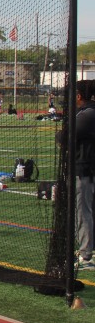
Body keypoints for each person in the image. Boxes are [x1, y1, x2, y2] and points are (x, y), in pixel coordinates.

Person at [68, 80, 95, 270]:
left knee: (83, 212)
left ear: (79, 96)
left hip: (85, 170)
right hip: (88, 169)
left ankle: (86, 255)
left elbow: (65, 136)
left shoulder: (87, 114)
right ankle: (88, 250)